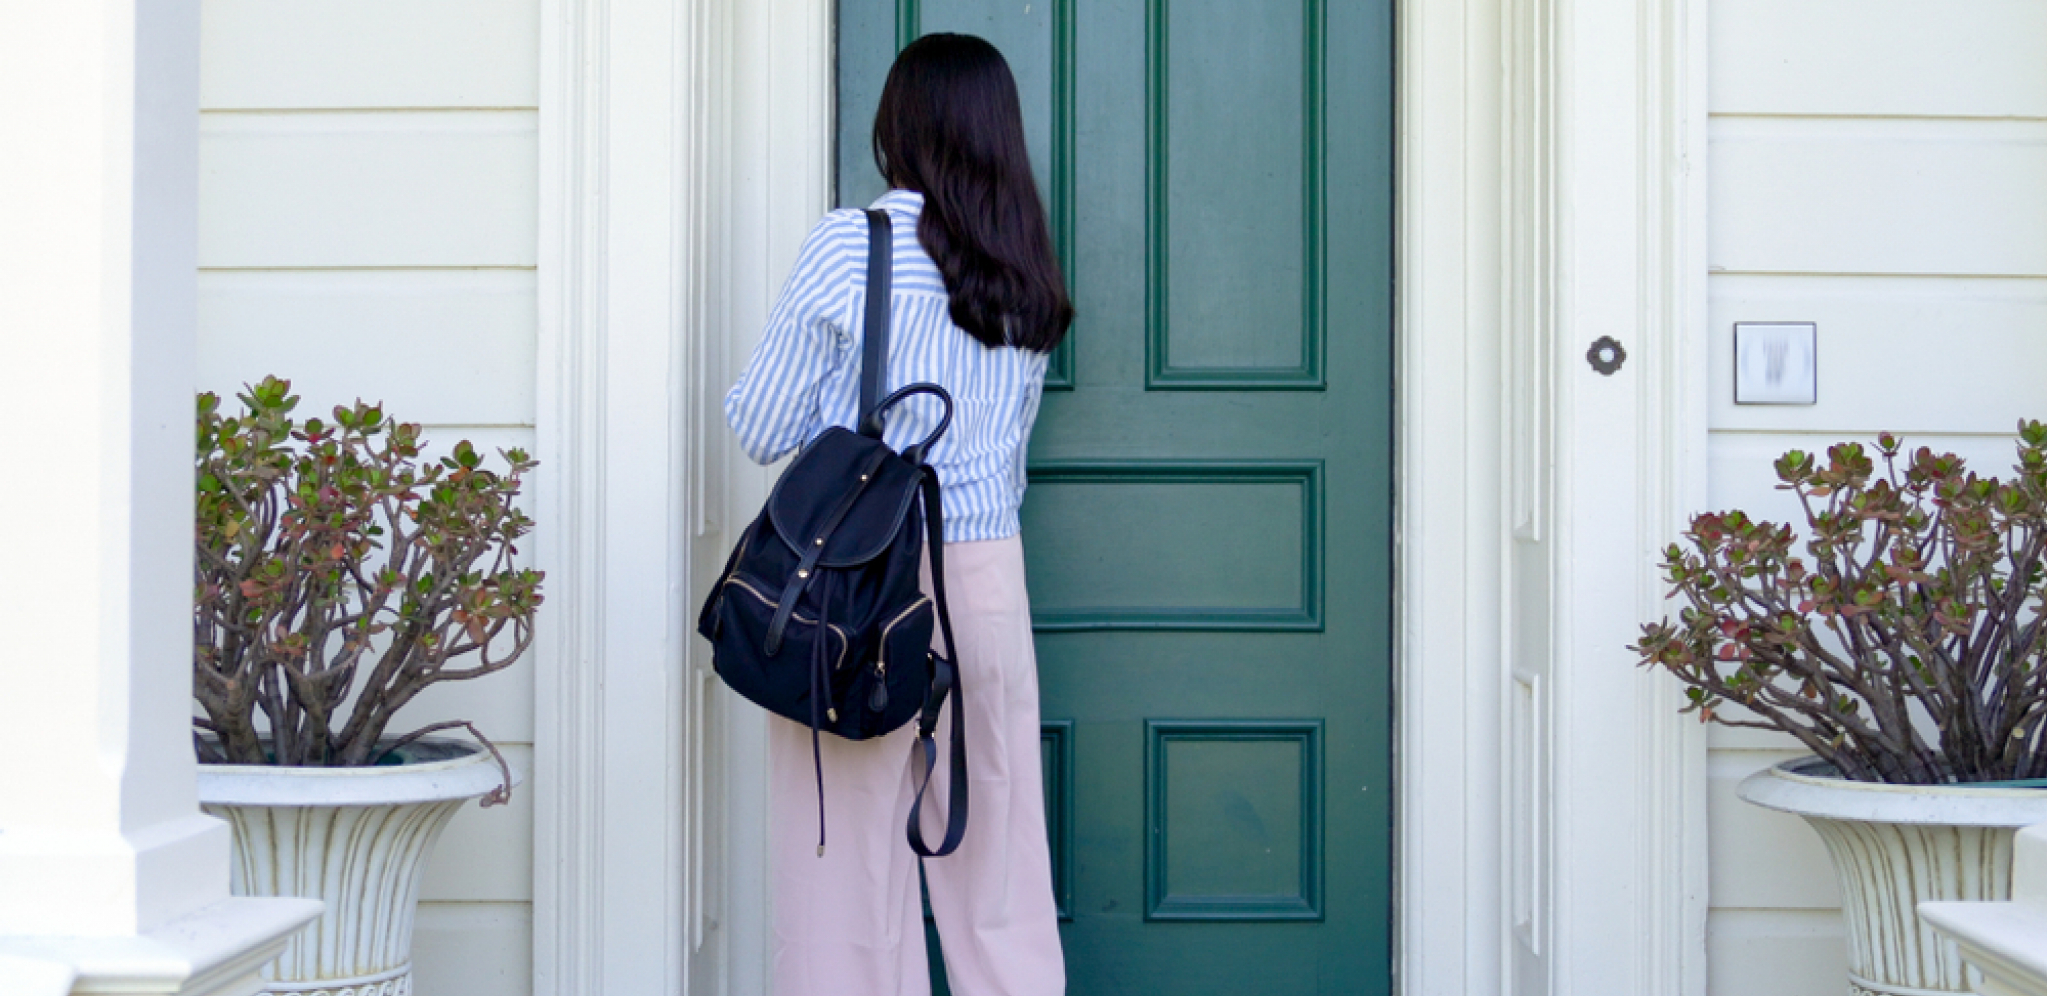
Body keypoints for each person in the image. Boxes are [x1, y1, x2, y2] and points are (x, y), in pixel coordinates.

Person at [722, 32, 1073, 996]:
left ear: (898, 126)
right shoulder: (1025, 273)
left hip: (858, 576)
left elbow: (759, 424)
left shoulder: (851, 245)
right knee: (996, 842)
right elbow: (1006, 455)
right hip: (985, 571)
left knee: (838, 856)